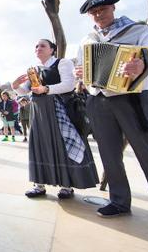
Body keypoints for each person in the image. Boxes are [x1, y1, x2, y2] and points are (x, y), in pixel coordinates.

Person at [75, 0, 148, 236]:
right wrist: (81, 72)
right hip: (99, 100)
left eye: (102, 9)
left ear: (113, 8)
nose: (98, 15)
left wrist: (144, 63)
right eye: (93, 12)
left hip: (133, 100)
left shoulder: (137, 31)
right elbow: (81, 68)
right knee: (109, 155)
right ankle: (119, 202)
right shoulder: (88, 39)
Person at [12, 39, 99, 201]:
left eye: (42, 45)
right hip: (38, 113)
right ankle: (39, 184)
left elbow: (69, 84)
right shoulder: (33, 70)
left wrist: (46, 89)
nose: (38, 48)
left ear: (52, 50)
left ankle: (67, 186)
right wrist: (15, 86)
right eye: (36, 46)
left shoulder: (62, 63)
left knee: (63, 143)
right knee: (39, 145)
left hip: (59, 110)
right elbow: (24, 92)